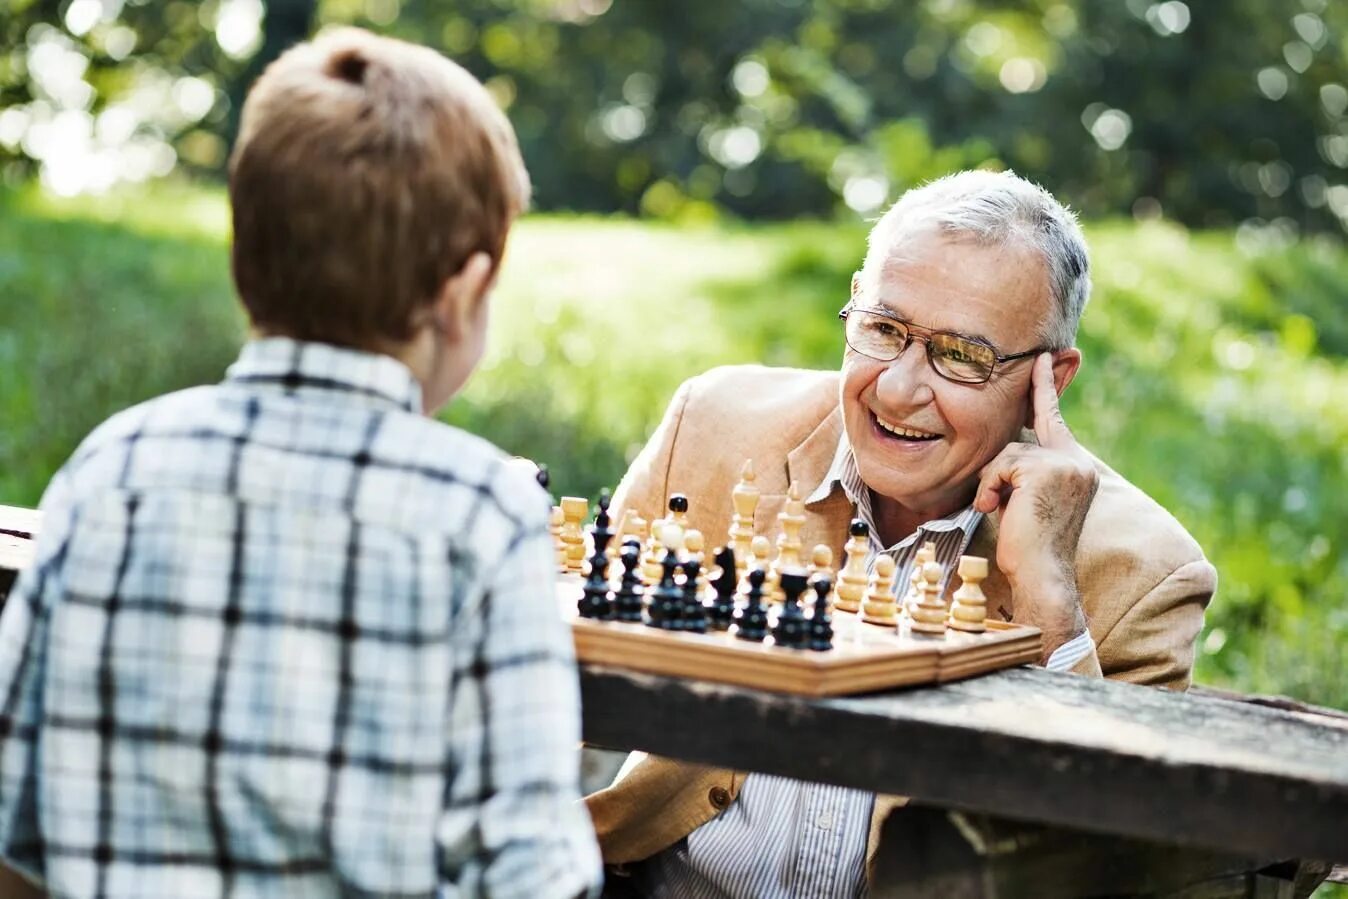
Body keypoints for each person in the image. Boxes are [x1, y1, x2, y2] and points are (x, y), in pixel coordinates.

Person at [0, 28, 601, 899]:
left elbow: (17, 834)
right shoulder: (480, 516)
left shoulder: (109, 473)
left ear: (246, 252)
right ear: (464, 294)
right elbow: (537, 877)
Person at [586, 169, 1216, 897]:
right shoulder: (714, 426)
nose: (896, 389)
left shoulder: (1150, 575)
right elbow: (555, 685)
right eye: (883, 329)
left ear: (1052, 377)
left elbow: (1103, 868)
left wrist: (1047, 589)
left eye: (961, 356)